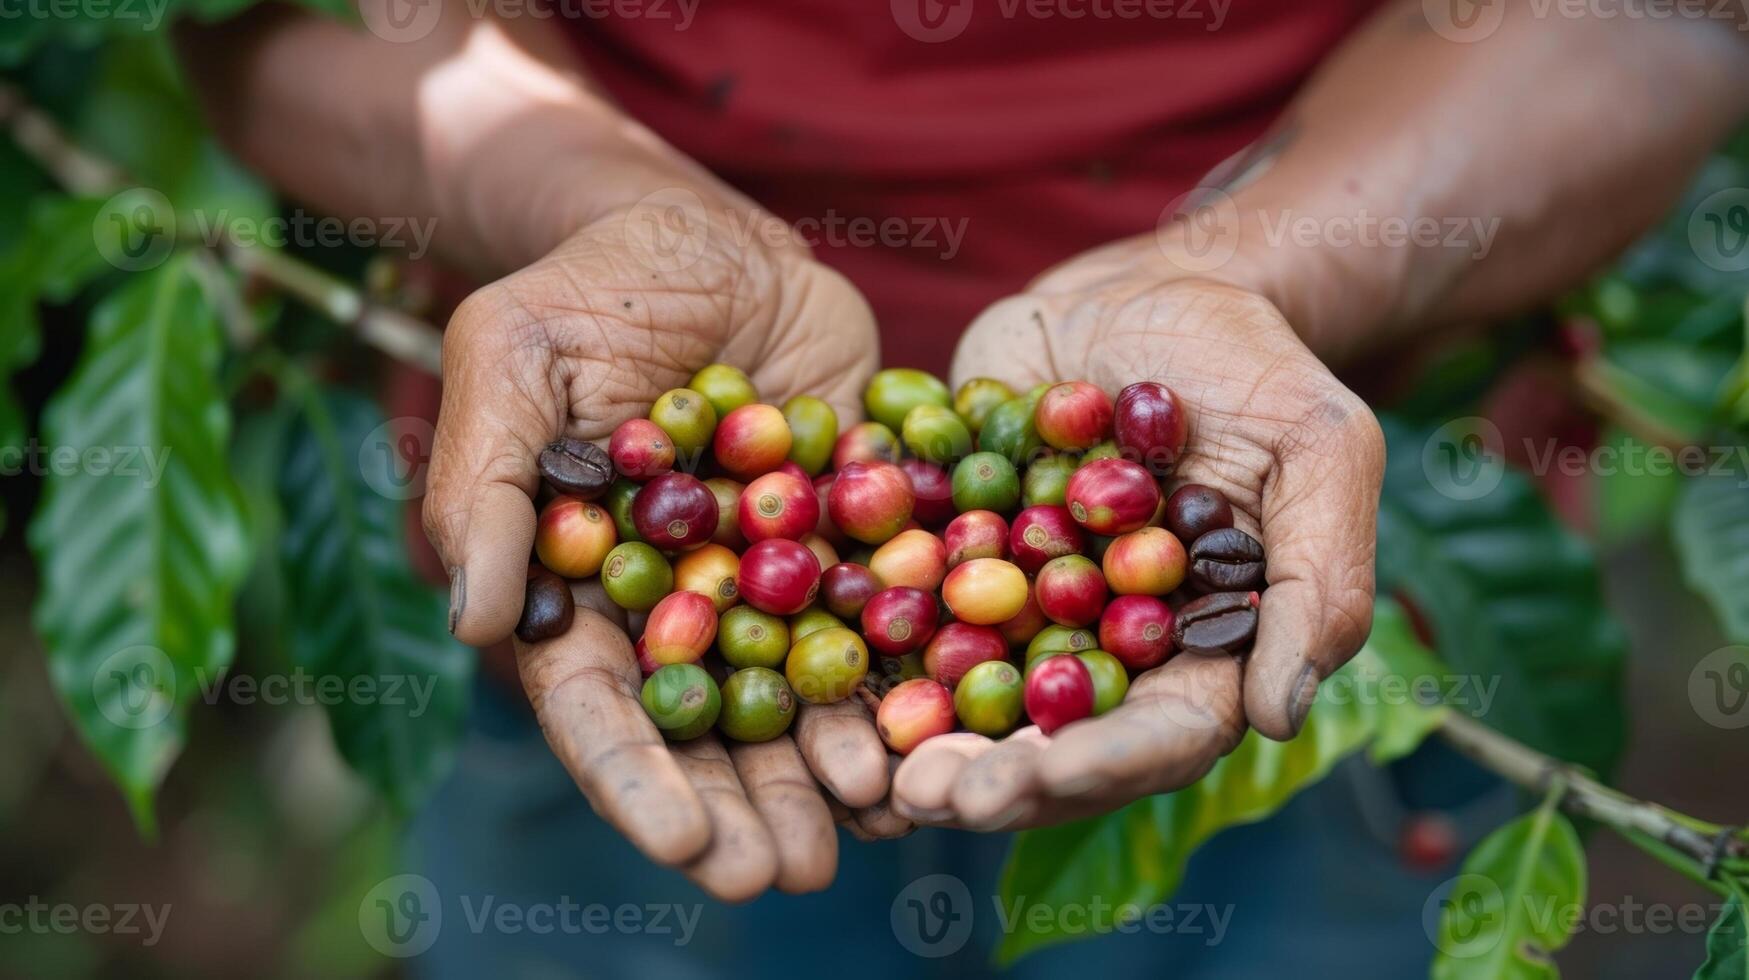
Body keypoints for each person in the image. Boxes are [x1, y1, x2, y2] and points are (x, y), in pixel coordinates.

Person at [179, 0, 1749, 907]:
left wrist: (1258, 269)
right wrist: (580, 198)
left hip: (1317, 535)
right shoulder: (713, 547)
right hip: (569, 553)